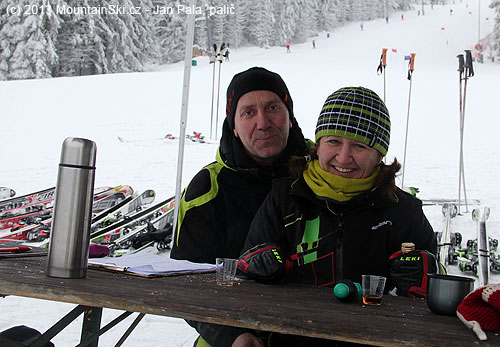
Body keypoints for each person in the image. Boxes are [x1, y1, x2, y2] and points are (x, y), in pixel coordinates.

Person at [241, 86, 437, 290]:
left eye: (359, 146)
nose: (343, 157)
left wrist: (426, 275)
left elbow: (436, 279)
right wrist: (258, 267)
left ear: (379, 155)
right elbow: (245, 275)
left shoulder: (403, 210)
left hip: (374, 321)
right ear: (319, 145)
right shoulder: (284, 199)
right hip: (294, 320)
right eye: (334, 141)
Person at [170, 67, 308, 347]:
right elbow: (186, 282)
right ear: (232, 125)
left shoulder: (322, 171)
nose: (263, 122)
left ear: (289, 116)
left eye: (272, 107)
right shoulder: (208, 189)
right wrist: (231, 336)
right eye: (248, 112)